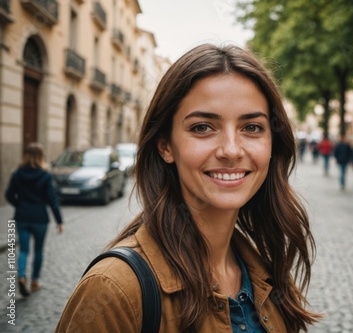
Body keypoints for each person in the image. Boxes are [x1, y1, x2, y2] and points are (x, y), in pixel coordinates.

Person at [56, 44, 321, 332]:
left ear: (272, 144)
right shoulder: (113, 289)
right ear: (165, 145)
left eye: (252, 127)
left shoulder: (269, 274)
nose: (231, 151)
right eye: (203, 127)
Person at [5, 143, 64, 297]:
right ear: (41, 157)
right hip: (40, 218)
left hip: (22, 217)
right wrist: (59, 221)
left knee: (23, 250)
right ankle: (35, 281)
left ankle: (22, 276)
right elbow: (52, 200)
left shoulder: (17, 173)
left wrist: (20, 205)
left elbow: (9, 195)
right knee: (38, 250)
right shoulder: (45, 175)